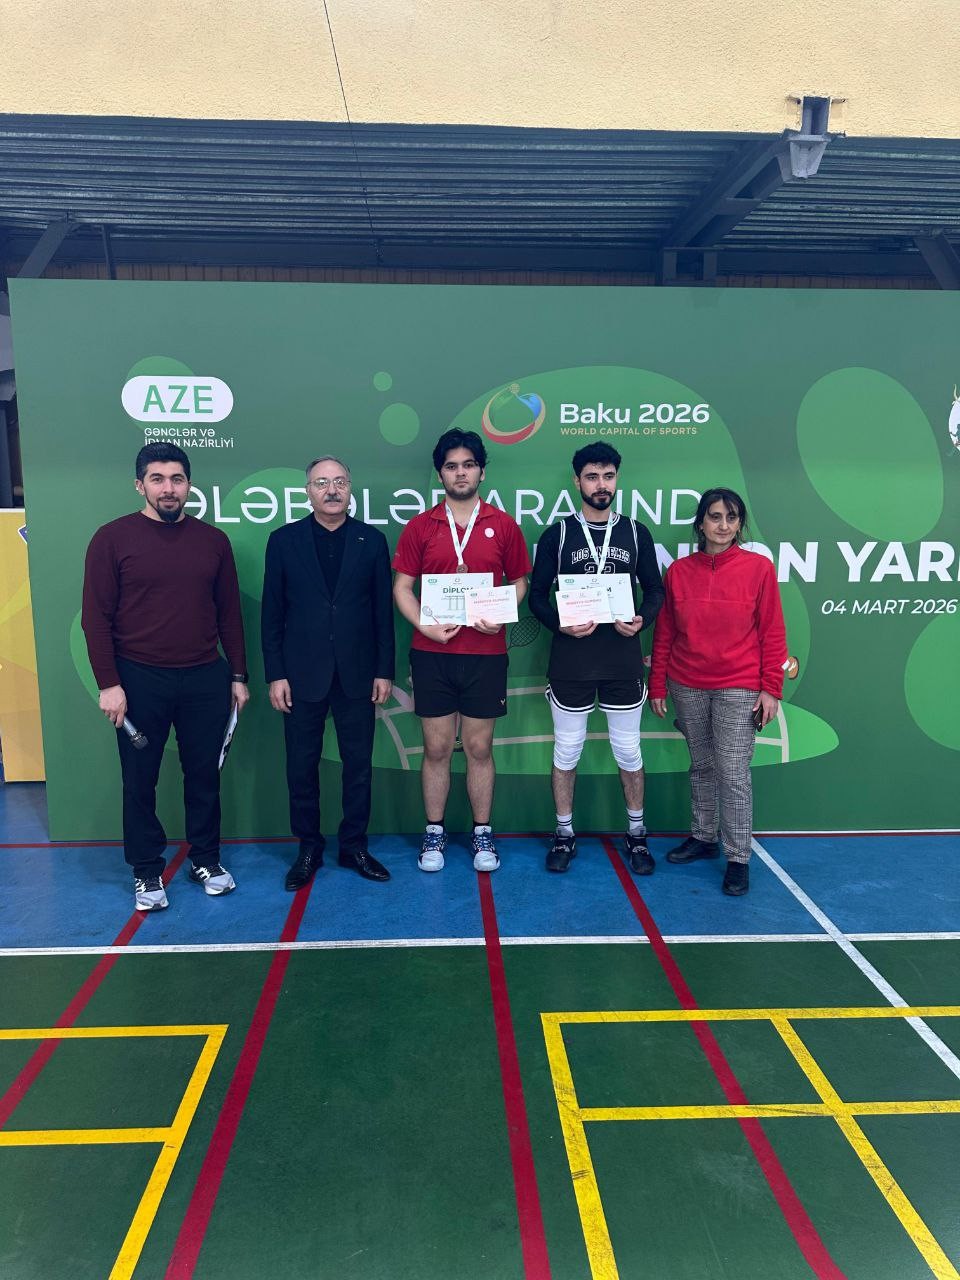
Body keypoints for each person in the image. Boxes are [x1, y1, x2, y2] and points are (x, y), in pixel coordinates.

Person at [81, 443, 249, 912]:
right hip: (138, 680)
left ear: (189, 484)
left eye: (177, 479)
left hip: (205, 678)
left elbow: (229, 614)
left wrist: (238, 675)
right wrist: (109, 684)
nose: (168, 488)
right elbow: (95, 619)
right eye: (157, 479)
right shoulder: (111, 539)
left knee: (204, 777)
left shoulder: (213, 541)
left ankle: (206, 859)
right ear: (140, 485)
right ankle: (146, 870)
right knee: (140, 781)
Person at [392, 428, 531, 872]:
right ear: (440, 475)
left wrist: (503, 612)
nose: (460, 473)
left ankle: (482, 832)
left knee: (479, 748)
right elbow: (402, 588)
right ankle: (434, 832)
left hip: (485, 654)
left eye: (468, 465)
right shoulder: (420, 527)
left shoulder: (503, 525)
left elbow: (520, 582)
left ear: (481, 471)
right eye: (451, 466)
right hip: (432, 654)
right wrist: (425, 627)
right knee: (435, 749)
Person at [529, 443, 664, 874]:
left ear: (616, 479)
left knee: (628, 751)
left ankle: (637, 833)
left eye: (608, 476)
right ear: (577, 481)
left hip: (622, 659)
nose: (600, 485)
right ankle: (564, 833)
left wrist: (642, 620)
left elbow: (655, 590)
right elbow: (536, 596)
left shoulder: (636, 533)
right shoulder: (558, 535)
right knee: (567, 750)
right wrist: (560, 625)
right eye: (592, 476)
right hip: (572, 660)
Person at [262, 455, 395, 890]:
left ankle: (354, 845)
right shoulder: (283, 541)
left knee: (359, 766)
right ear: (308, 491)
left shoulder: (372, 541)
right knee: (301, 767)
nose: (332, 490)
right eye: (322, 483)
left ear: (350, 488)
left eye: (339, 482)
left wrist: (384, 670)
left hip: (359, 673)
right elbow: (272, 614)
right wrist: (276, 674)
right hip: (301, 675)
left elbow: (382, 613)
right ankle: (308, 847)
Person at [649, 487, 787, 896]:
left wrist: (771, 689)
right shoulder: (678, 572)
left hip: (739, 685)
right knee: (702, 765)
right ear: (701, 523)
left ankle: (738, 858)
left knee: (733, 772)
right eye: (715, 516)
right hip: (686, 682)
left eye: (731, 517)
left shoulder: (759, 569)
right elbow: (665, 633)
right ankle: (703, 837)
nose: (723, 525)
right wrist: (657, 683)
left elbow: (773, 632)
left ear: (740, 524)